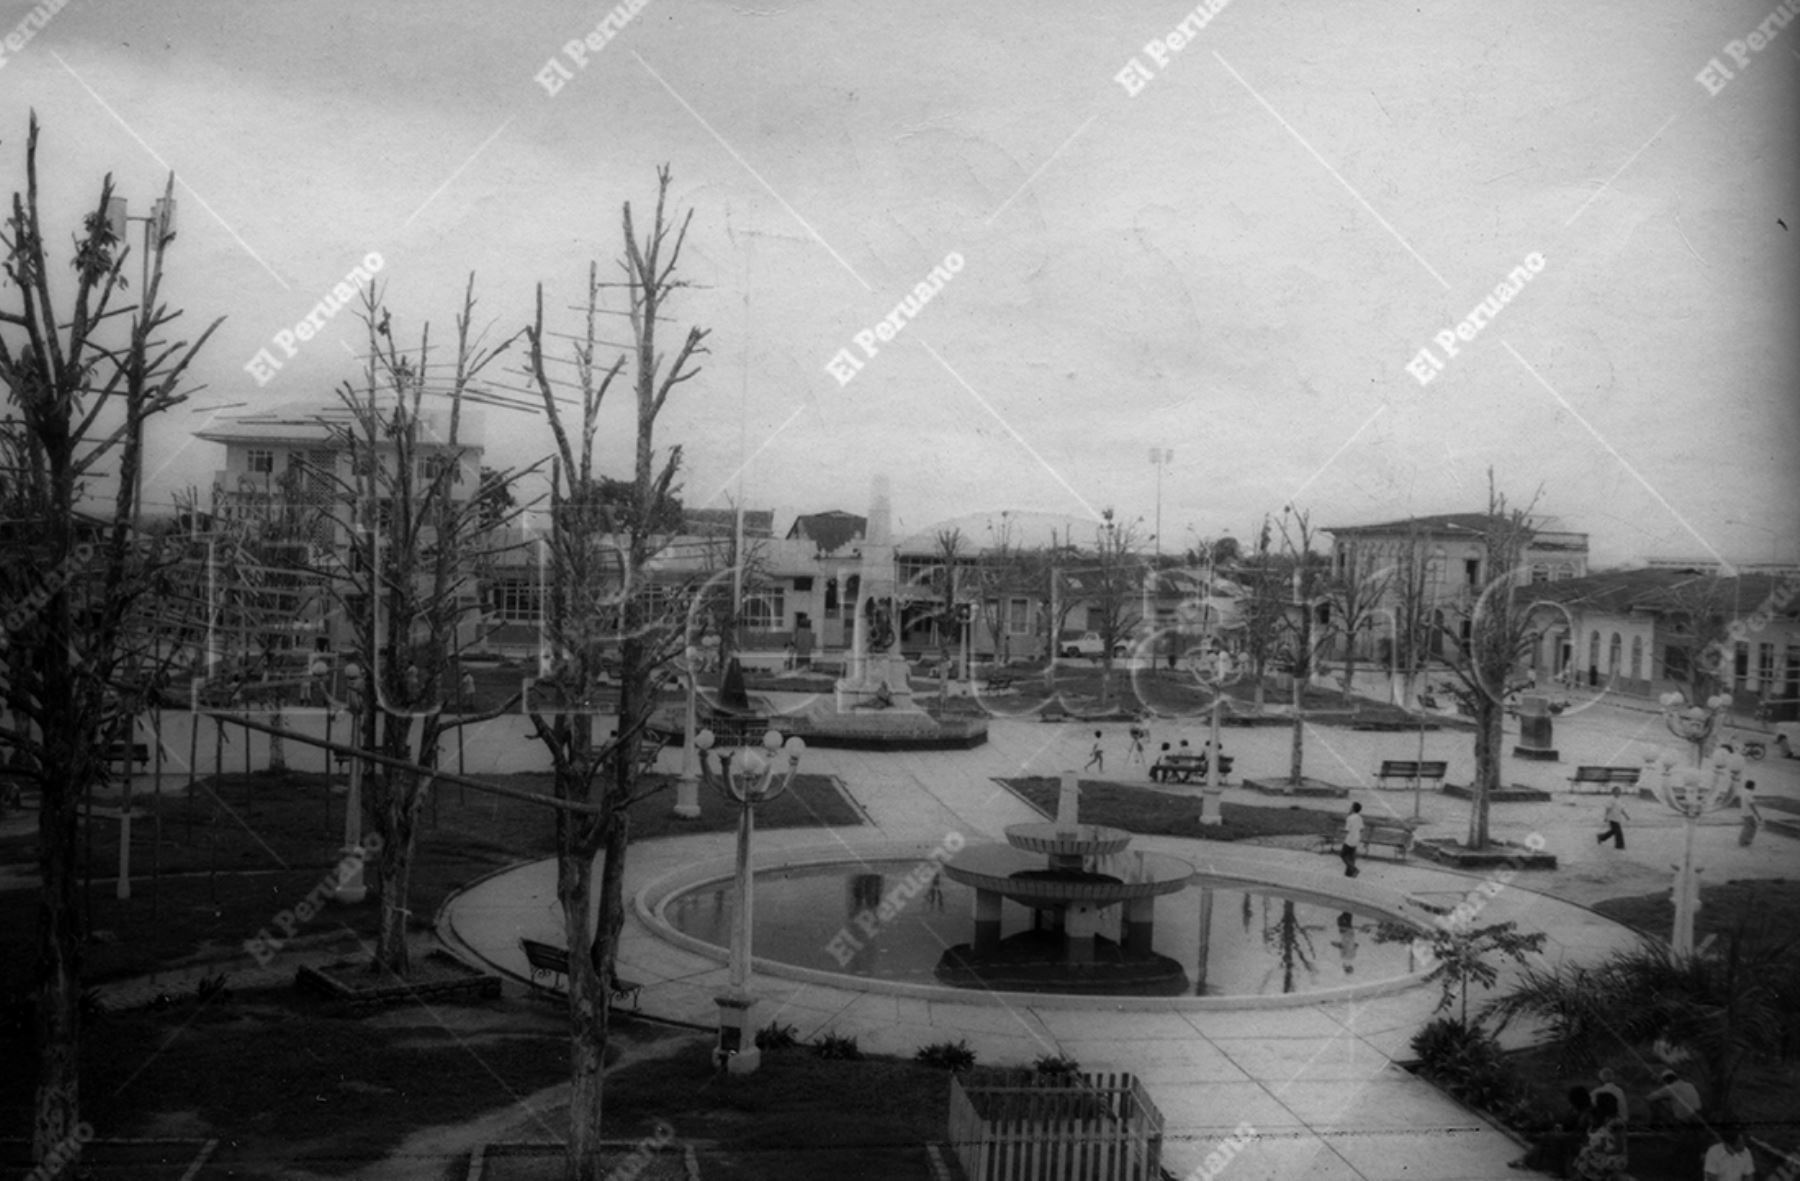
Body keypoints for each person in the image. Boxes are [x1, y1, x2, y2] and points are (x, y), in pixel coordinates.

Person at [1509, 1084, 1594, 1173]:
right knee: (1548, 1137)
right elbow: (1569, 1123)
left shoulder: (1587, 1113)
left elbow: (1581, 1131)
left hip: (1579, 1138)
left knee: (1549, 1137)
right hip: (1572, 1134)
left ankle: (1526, 1160)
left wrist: (1564, 1132)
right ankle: (1526, 1160)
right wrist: (1561, 1127)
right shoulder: (1576, 1109)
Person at [1569, 1089, 1628, 1180]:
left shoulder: (1616, 1123)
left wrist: (1601, 1150)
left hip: (1615, 1158)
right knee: (1585, 1151)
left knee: (1587, 1155)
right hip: (1606, 1154)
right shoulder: (1606, 1120)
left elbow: (1619, 1148)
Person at [1342, 802, 1364, 878]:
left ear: (1353, 808)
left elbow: (1347, 830)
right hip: (1357, 838)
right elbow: (1361, 829)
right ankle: (1349, 873)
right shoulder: (1360, 817)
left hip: (1350, 838)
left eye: (1351, 807)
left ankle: (1354, 869)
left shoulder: (1350, 818)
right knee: (1351, 855)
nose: (1350, 808)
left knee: (1343, 855)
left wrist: (1341, 831)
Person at [1738, 780, 1762, 847]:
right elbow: (1752, 805)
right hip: (1748, 814)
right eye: (1754, 785)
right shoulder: (1749, 793)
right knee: (1751, 827)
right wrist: (1758, 815)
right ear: (1751, 786)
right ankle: (1745, 841)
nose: (1754, 787)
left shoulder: (1744, 792)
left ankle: (1744, 841)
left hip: (1743, 813)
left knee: (1748, 827)